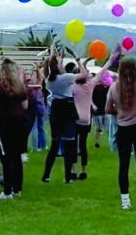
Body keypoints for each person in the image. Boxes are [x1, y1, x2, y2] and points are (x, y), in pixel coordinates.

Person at [105, 58, 136, 210]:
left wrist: (120, 110)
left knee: (124, 165)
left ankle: (125, 201)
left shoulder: (114, 87)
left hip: (123, 128)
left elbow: (108, 109)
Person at [0, 58, 31, 199]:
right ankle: (17, 189)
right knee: (17, 156)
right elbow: (25, 105)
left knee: (5, 157)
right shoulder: (20, 87)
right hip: (19, 122)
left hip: (4, 122)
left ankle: (7, 190)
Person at [40, 48, 80, 183]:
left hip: (56, 111)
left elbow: (52, 69)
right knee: (69, 146)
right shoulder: (66, 78)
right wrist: (78, 59)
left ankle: (46, 175)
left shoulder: (49, 80)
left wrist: (55, 56)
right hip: (68, 111)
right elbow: (84, 75)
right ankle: (68, 177)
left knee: (54, 145)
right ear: (57, 66)